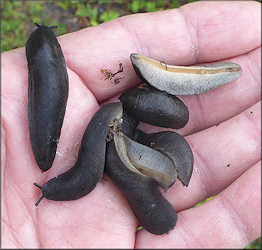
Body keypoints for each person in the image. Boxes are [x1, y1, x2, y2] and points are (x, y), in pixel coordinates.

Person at [1, 1, 261, 248]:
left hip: (127, 131)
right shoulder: (113, 124)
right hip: (119, 132)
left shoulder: (124, 124)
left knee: (167, 130)